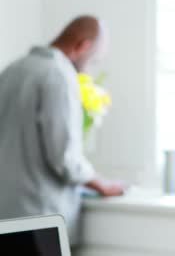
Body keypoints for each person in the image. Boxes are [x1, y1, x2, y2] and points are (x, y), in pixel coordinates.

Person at [0, 15, 125, 245]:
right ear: (83, 46)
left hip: (6, 215)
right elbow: (65, 157)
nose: (88, 70)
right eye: (93, 60)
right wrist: (101, 183)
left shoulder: (12, 70)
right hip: (40, 220)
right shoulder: (59, 75)